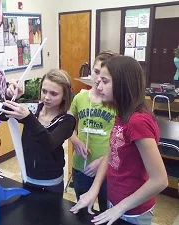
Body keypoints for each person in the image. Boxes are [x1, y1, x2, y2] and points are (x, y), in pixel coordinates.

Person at [70, 56, 168, 225]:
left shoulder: (137, 122)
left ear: (123, 84)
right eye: (98, 80)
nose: (98, 86)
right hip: (115, 201)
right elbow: (111, 151)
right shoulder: (121, 112)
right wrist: (94, 189)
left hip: (133, 211)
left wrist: (119, 208)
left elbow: (160, 180)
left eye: (105, 81)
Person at [3, 69, 76, 193]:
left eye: (53, 94)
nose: (47, 97)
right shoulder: (33, 109)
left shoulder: (67, 120)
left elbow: (49, 143)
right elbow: (2, 115)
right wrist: (11, 97)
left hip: (51, 183)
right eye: (44, 91)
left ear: (64, 95)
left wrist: (28, 118)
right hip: (27, 176)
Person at [69, 51, 117, 212]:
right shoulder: (79, 99)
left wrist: (103, 161)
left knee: (106, 211)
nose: (97, 79)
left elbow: (120, 141)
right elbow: (66, 126)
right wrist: (75, 140)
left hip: (107, 170)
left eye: (104, 75)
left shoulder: (116, 103)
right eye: (96, 72)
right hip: (80, 167)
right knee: (82, 210)